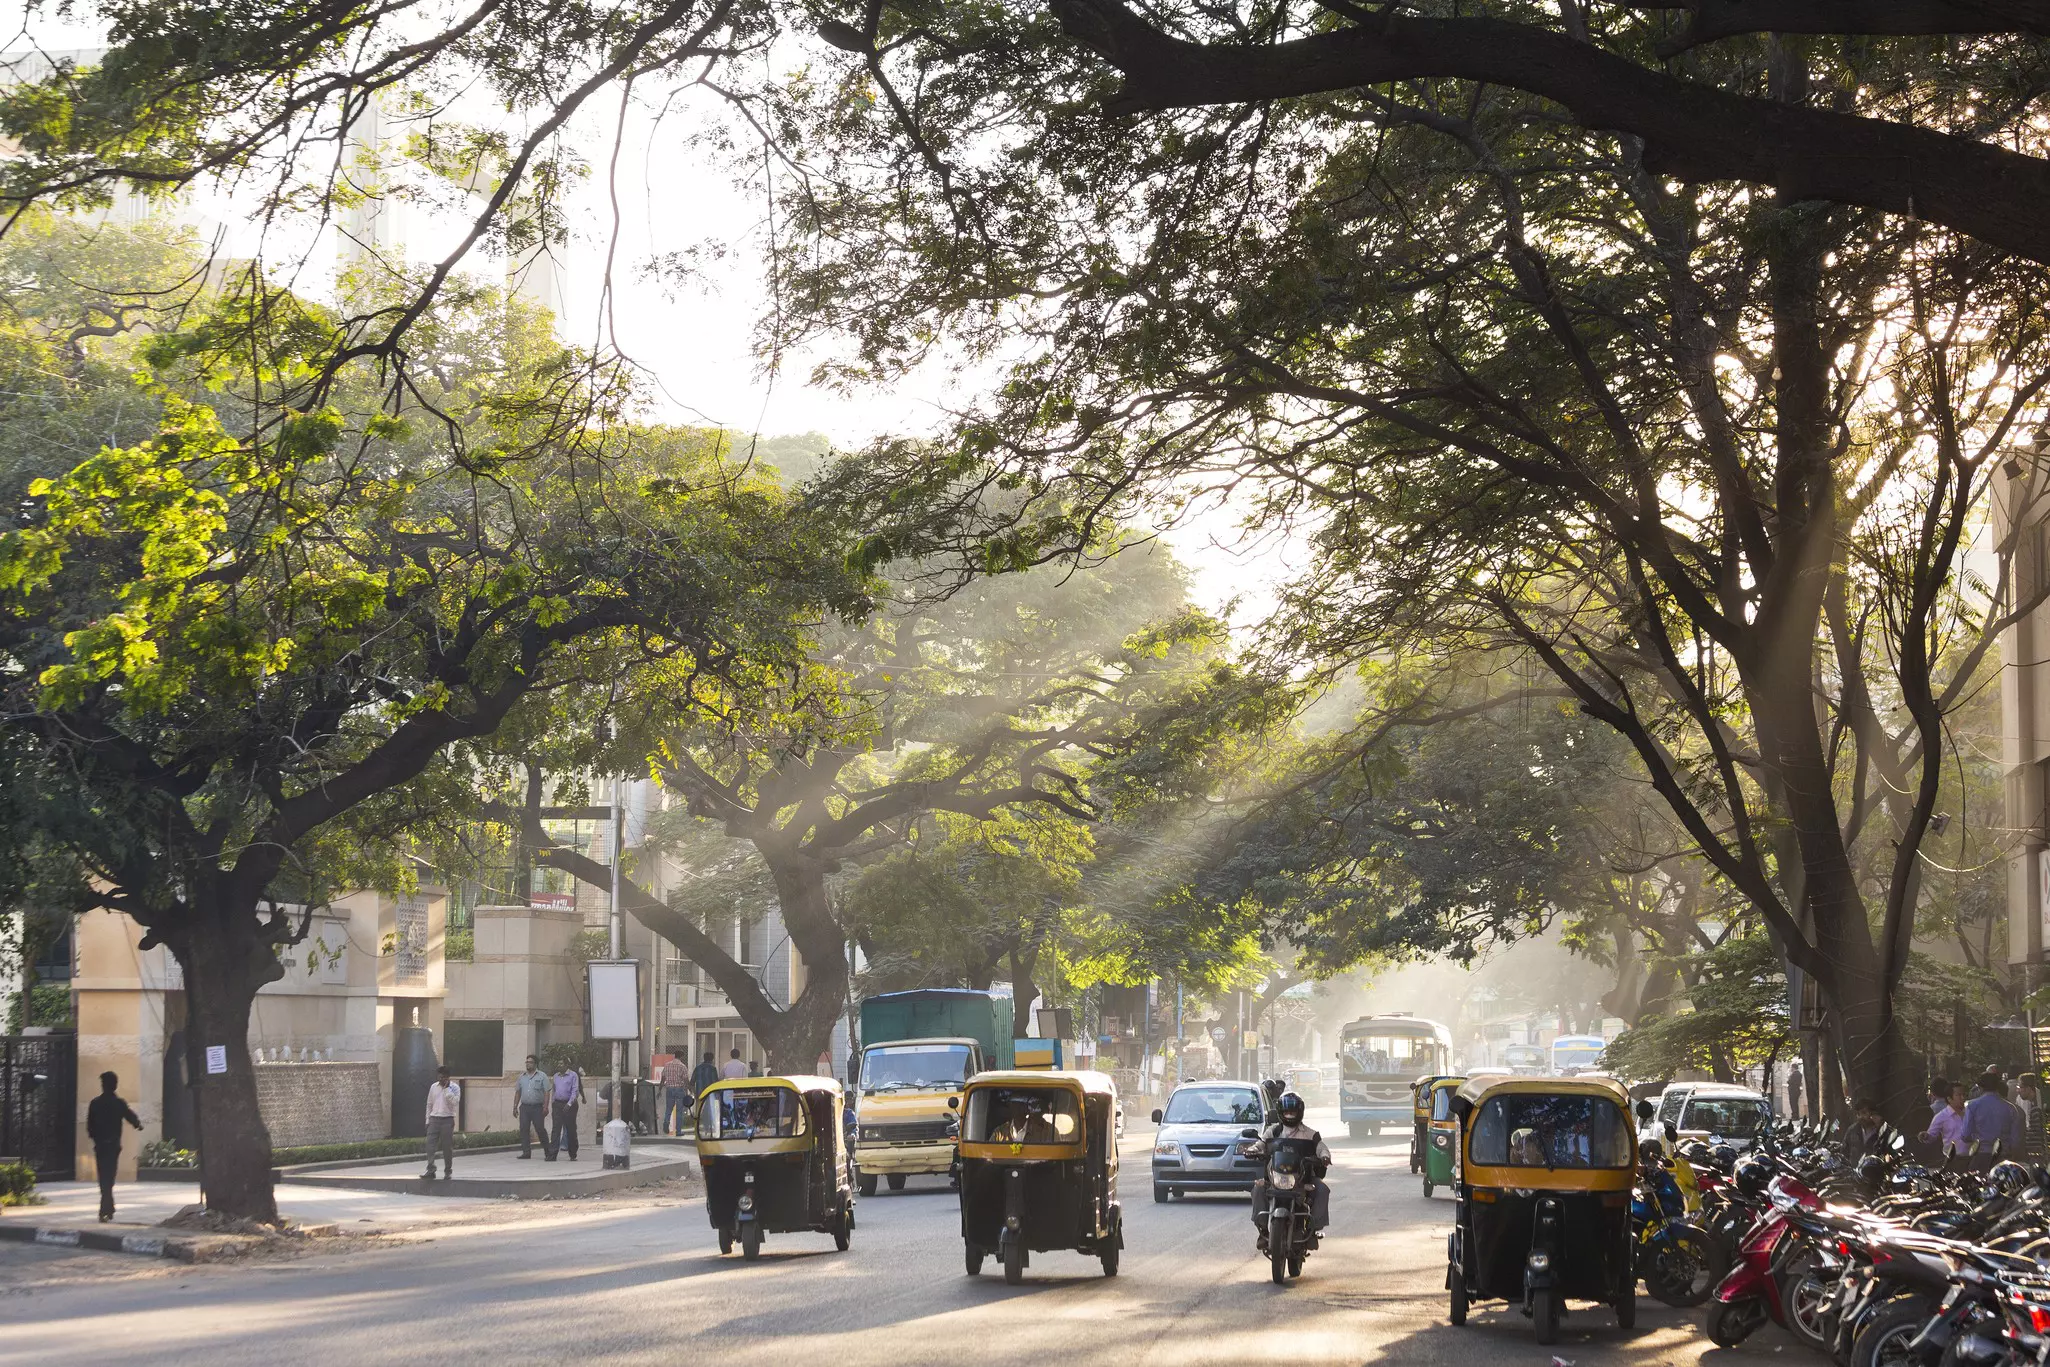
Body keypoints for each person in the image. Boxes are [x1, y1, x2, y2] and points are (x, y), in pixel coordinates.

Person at [1249, 1091, 1331, 1253]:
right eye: (1287, 1111)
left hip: (1302, 1178)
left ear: (1299, 1112)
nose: (1290, 1115)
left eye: (1293, 1112)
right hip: (1275, 1178)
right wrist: (1253, 1149)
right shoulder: (1273, 1132)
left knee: (1322, 1189)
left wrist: (1324, 1156)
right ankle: (1263, 1230)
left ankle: (1313, 1230)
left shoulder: (1310, 1134)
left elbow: (1322, 1148)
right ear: (1280, 1112)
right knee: (1258, 1188)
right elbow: (1261, 1144)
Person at [85, 1071, 143, 1222]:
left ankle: (106, 1208)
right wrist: (138, 1125)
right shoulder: (118, 1103)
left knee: (104, 1177)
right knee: (109, 1177)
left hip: (102, 1145)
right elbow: (131, 1116)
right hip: (112, 1145)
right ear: (115, 1085)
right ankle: (107, 1208)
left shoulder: (96, 1103)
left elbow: (89, 1126)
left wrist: (95, 1137)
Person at [1963, 1071, 2024, 1166]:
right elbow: (2015, 1141)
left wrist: (1977, 1138)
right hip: (2003, 1156)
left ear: (1980, 1087)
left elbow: (1965, 1135)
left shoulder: (1972, 1106)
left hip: (1980, 1155)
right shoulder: (2011, 1108)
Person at [422, 1066, 460, 1181]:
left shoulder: (455, 1088)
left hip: (447, 1120)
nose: (440, 1079)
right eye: (439, 1077)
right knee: (430, 1145)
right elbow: (429, 1104)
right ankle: (431, 1169)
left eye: (443, 1077)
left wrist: (447, 1089)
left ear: (448, 1078)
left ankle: (448, 1171)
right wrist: (427, 1120)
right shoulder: (433, 1087)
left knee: (447, 1148)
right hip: (434, 1119)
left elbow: (455, 1102)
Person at [512, 1055, 551, 1159]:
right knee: (524, 1129)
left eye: (530, 1062)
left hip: (537, 1107)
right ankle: (526, 1152)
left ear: (535, 1064)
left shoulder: (542, 1076)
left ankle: (548, 1152)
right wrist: (515, 1106)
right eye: (527, 1062)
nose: (528, 1064)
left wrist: (546, 1107)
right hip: (524, 1107)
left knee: (540, 1129)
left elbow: (547, 1092)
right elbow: (518, 1092)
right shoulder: (522, 1077)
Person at [547, 1061, 586, 1161]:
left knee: (571, 1130)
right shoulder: (556, 1076)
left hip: (570, 1105)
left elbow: (575, 1090)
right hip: (557, 1105)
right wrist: (553, 1102)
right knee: (556, 1129)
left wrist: (569, 1104)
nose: (559, 1065)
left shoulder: (573, 1075)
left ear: (567, 1065)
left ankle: (573, 1154)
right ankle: (552, 1155)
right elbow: (554, 1089)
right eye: (558, 1063)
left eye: (561, 1064)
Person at [1922, 1081, 1968, 1156]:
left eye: (1964, 1094)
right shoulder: (1941, 1116)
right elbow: (1931, 1136)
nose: (1963, 1098)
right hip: (1953, 1159)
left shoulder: (1970, 1113)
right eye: (1959, 1095)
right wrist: (1925, 1136)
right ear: (1949, 1099)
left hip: (1972, 1158)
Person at [989, 1094, 1058, 1144]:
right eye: (1015, 1104)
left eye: (1022, 1104)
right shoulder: (999, 1132)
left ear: (1027, 1107)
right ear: (1010, 1106)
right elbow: (988, 1155)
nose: (1019, 1108)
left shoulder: (1047, 1131)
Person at [1842, 1096, 1887, 1165]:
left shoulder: (1883, 1130)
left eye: (1864, 1113)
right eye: (1858, 1114)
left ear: (1872, 1113)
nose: (1860, 1117)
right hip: (1855, 1173)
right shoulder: (1852, 1130)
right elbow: (1844, 1152)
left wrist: (1880, 1128)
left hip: (1875, 1172)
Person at [659, 1054, 691, 1136]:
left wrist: (659, 1090)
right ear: (681, 1057)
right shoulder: (682, 1066)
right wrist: (689, 1089)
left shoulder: (667, 1065)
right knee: (679, 1111)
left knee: (669, 1108)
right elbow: (686, 1079)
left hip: (669, 1089)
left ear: (674, 1056)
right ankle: (678, 1131)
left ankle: (666, 1123)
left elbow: (663, 1078)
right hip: (679, 1089)